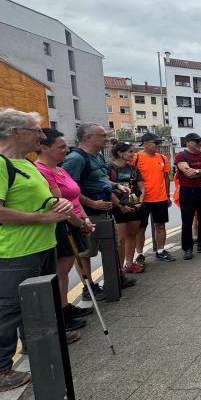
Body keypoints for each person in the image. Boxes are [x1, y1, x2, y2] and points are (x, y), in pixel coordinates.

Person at [0, 109, 73, 392]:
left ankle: (37, 346)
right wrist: (46, 218)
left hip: (43, 245)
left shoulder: (27, 164)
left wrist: (59, 206)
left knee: (39, 303)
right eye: (36, 130)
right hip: (16, 249)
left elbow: (44, 200)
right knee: (7, 308)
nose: (42, 136)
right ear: (15, 132)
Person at [34, 128, 95, 334]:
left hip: (76, 221)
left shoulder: (61, 169)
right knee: (60, 272)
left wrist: (85, 219)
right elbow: (59, 205)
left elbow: (74, 198)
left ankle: (65, 306)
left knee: (66, 270)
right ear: (43, 148)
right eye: (61, 147)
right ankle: (60, 313)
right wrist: (81, 224)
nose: (66, 151)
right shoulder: (42, 171)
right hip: (63, 225)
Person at [63, 122, 130, 296]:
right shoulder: (75, 159)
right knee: (86, 252)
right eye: (102, 135)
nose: (107, 138)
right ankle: (89, 287)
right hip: (88, 213)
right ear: (88, 138)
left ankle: (114, 279)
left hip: (105, 210)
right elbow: (66, 189)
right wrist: (92, 203)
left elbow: (101, 177)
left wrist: (116, 185)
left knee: (111, 246)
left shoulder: (98, 156)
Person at [174, 132, 201, 260]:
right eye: (196, 141)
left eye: (200, 141)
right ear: (188, 142)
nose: (199, 144)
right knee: (187, 221)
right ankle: (187, 248)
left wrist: (197, 171)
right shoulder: (181, 155)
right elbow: (188, 173)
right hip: (188, 191)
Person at [133, 132, 173, 264]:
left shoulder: (162, 158)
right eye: (155, 143)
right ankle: (139, 254)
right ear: (144, 143)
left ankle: (160, 251)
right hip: (142, 199)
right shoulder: (136, 158)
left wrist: (167, 195)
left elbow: (166, 178)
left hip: (160, 198)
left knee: (160, 225)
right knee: (140, 228)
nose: (158, 145)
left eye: (159, 143)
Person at [107, 141, 146, 274]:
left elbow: (142, 187)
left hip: (134, 206)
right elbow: (107, 189)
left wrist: (140, 202)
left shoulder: (133, 169)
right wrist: (120, 205)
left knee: (132, 235)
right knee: (121, 239)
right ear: (120, 153)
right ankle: (119, 269)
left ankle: (129, 264)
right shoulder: (108, 168)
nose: (133, 154)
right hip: (117, 207)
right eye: (130, 151)